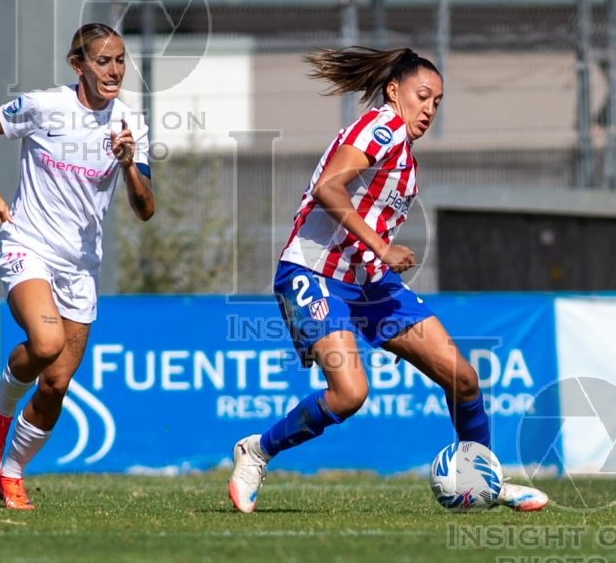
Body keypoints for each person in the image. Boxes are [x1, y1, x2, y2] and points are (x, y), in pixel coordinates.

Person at [227, 46, 549, 514]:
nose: (430, 109)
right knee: (350, 393)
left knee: (462, 378)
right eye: (422, 96)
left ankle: (483, 476)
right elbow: (328, 188)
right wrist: (381, 247)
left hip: (369, 285)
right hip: (314, 272)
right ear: (394, 91)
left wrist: (375, 261)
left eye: (437, 102)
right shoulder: (382, 126)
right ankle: (256, 451)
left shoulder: (404, 154)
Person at [0, 23, 154, 510]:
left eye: (119, 60)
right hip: (28, 244)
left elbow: (146, 208)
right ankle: (1, 409)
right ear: (79, 66)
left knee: (57, 383)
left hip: (80, 266)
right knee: (46, 343)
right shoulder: (45, 106)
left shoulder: (131, 123)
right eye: (102, 61)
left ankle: (11, 474)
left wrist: (130, 164)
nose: (113, 70)